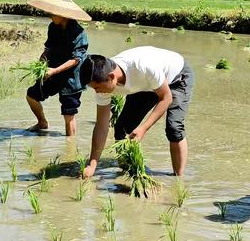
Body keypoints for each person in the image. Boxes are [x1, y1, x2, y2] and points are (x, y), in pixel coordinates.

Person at [79, 46, 194, 177]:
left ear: (111, 77)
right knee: (121, 128)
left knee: (174, 127)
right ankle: (128, 170)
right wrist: (92, 165)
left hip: (177, 77)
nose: (97, 91)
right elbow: (101, 125)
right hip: (146, 85)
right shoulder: (102, 82)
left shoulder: (143, 67)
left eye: (97, 87)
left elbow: (166, 98)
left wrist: (143, 128)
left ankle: (178, 179)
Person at [26, 0, 91, 136]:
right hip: (51, 72)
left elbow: (76, 59)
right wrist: (41, 65)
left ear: (63, 15)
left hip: (71, 78)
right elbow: (48, 49)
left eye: (53, 13)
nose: (50, 15)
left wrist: (54, 71)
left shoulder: (79, 32)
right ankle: (42, 122)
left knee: (69, 113)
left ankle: (70, 146)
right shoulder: (53, 27)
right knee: (31, 95)